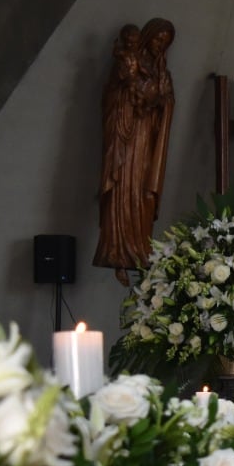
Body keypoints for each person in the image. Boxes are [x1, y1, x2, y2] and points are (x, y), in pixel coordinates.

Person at [94, 17, 176, 286]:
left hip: (146, 141)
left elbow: (167, 103)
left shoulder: (162, 72)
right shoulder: (128, 63)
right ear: (146, 37)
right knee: (122, 189)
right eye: (157, 39)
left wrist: (159, 101)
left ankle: (140, 251)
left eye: (164, 42)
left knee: (142, 194)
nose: (159, 45)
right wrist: (130, 97)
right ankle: (117, 251)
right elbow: (111, 96)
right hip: (125, 138)